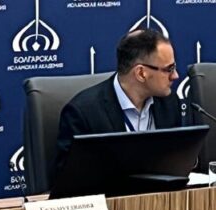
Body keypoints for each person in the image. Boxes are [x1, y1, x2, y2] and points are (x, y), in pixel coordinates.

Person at [52, 28, 184, 183]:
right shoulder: (83, 113)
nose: (175, 76)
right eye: (169, 69)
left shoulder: (169, 103)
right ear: (141, 73)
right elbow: (68, 182)